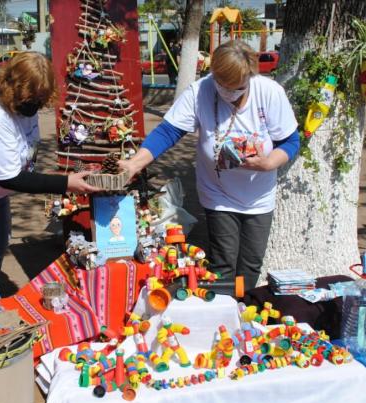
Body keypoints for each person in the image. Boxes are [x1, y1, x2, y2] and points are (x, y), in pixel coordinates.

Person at [119, 40, 300, 291]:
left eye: (236, 87)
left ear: (250, 78)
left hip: (259, 196)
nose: (227, 92)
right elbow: (168, 132)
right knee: (223, 262)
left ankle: (242, 310)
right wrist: (134, 163)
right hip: (218, 193)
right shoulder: (199, 91)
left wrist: (269, 163)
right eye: (221, 85)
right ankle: (223, 312)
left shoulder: (269, 93)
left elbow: (290, 141)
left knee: (250, 264)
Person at [0, 51, 99, 306]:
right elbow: (9, 178)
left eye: (40, 101)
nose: (35, 107)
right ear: (13, 88)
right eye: (31, 100)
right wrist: (67, 183)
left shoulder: (20, 104)